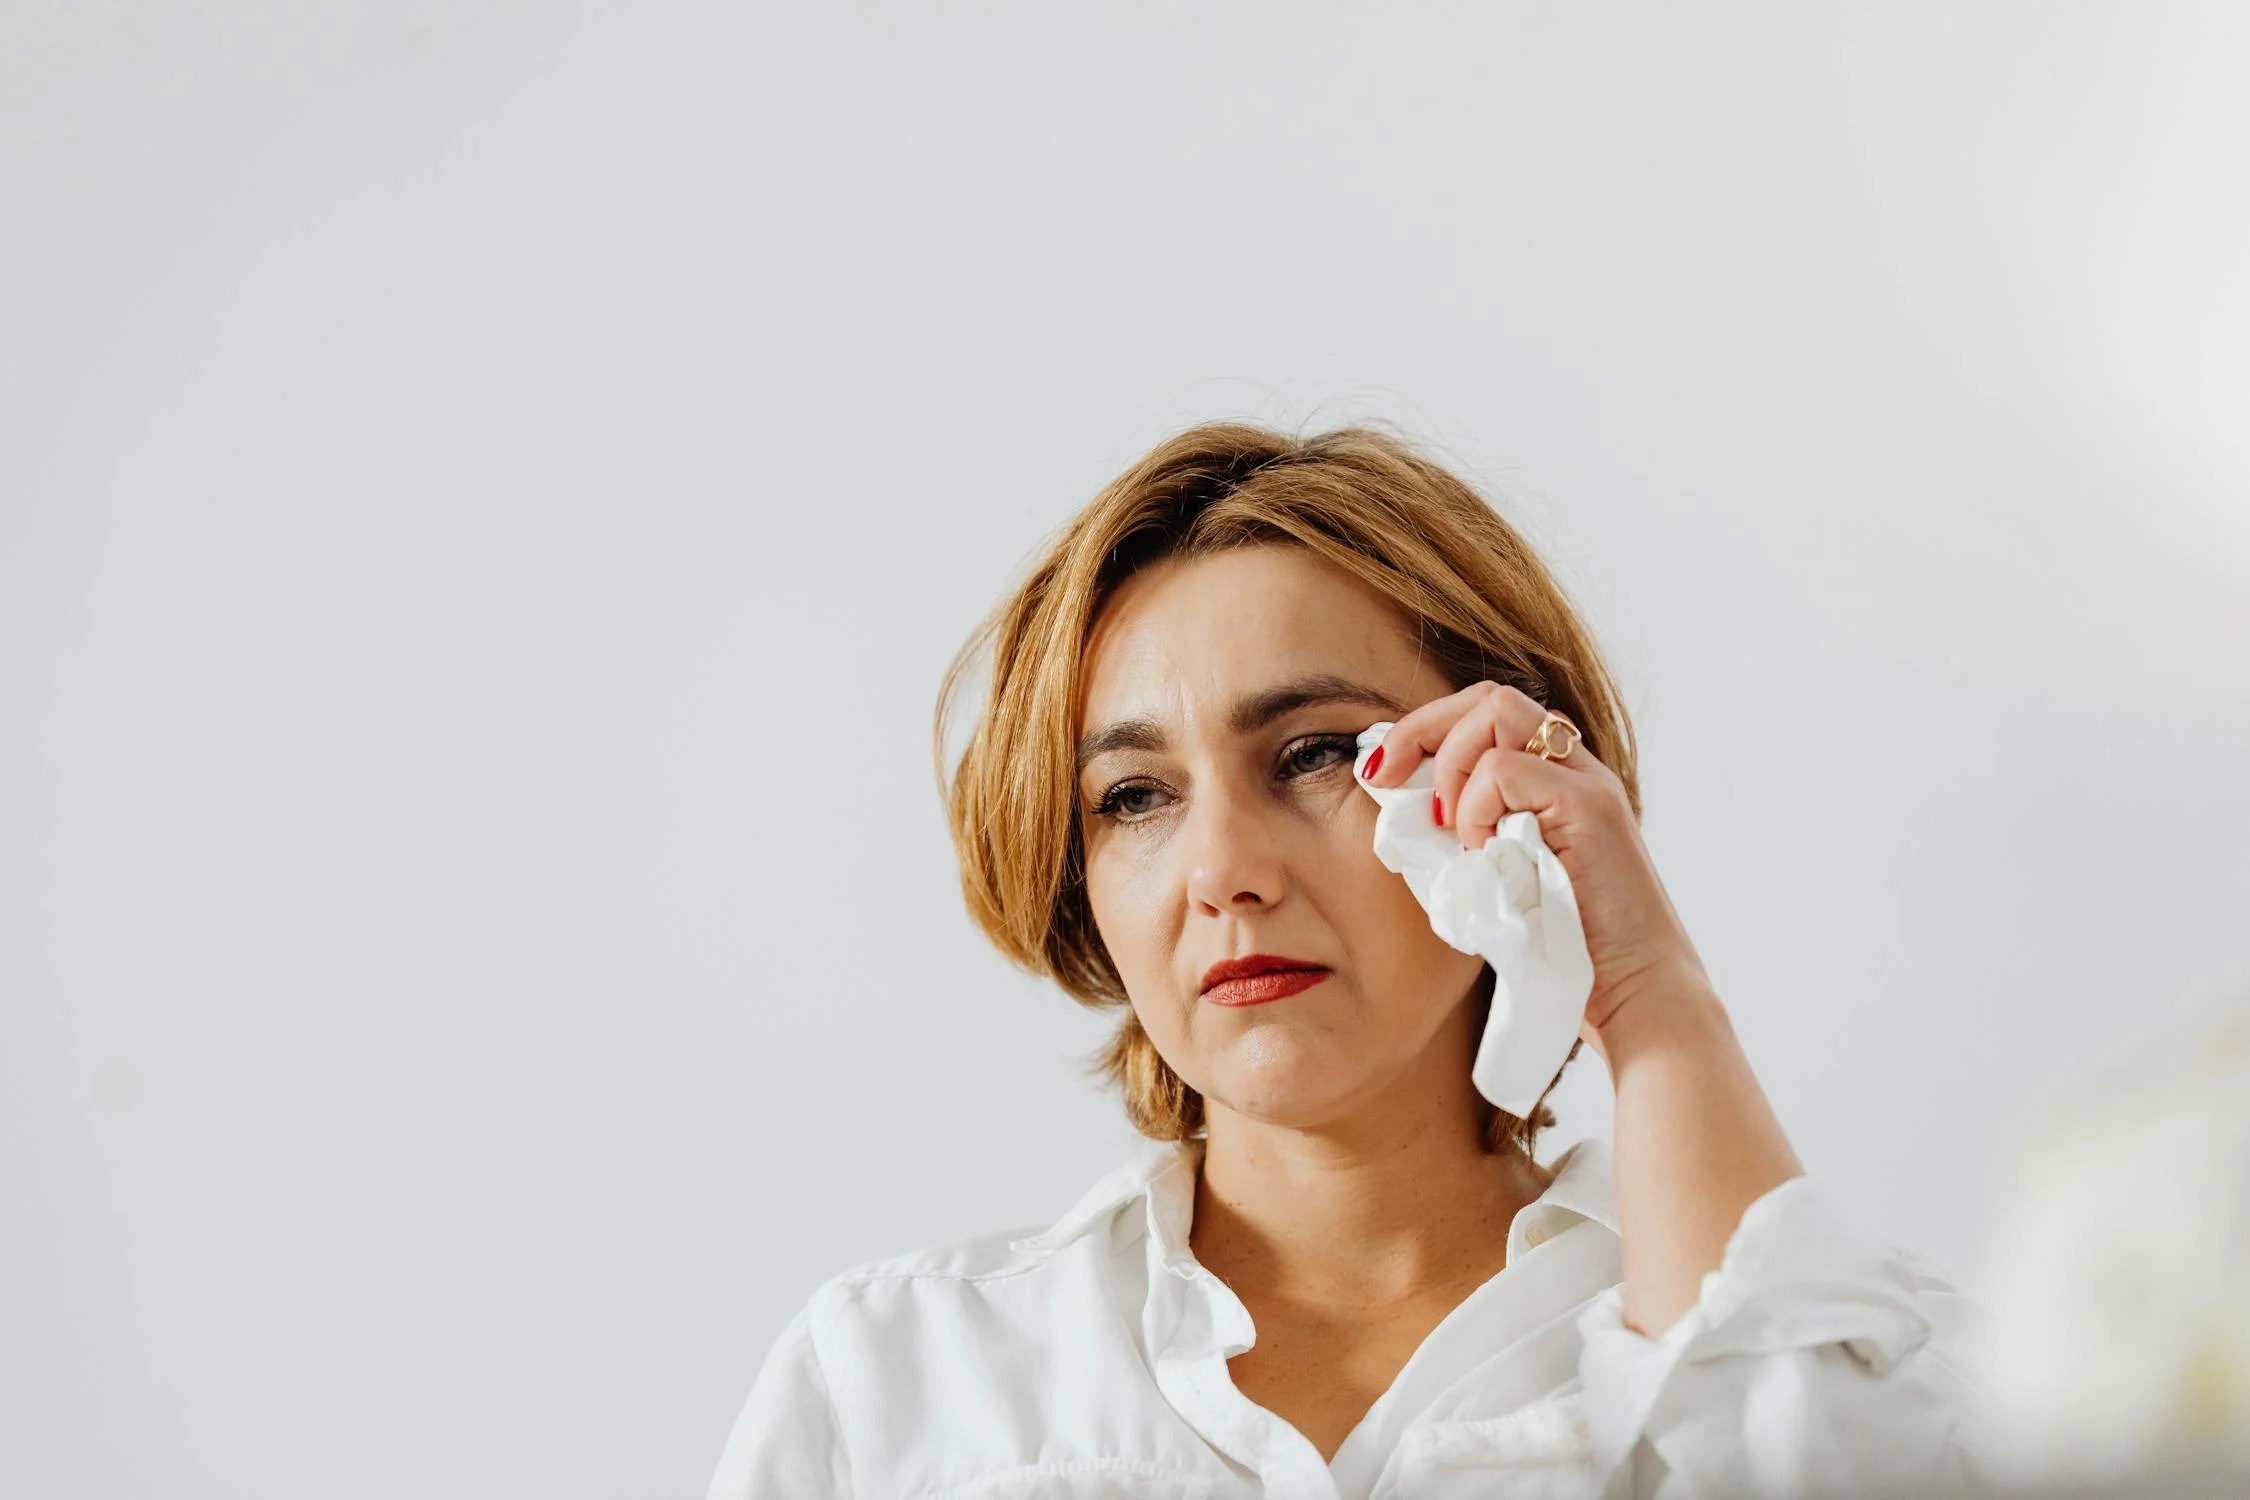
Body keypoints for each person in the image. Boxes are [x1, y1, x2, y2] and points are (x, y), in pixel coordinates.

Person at [704, 423, 1979, 1499]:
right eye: (1136, 797)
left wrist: (1653, 1001)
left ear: (1509, 789)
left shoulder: (1862, 1344)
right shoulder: (894, 1385)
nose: (1225, 869)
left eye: (1315, 755)